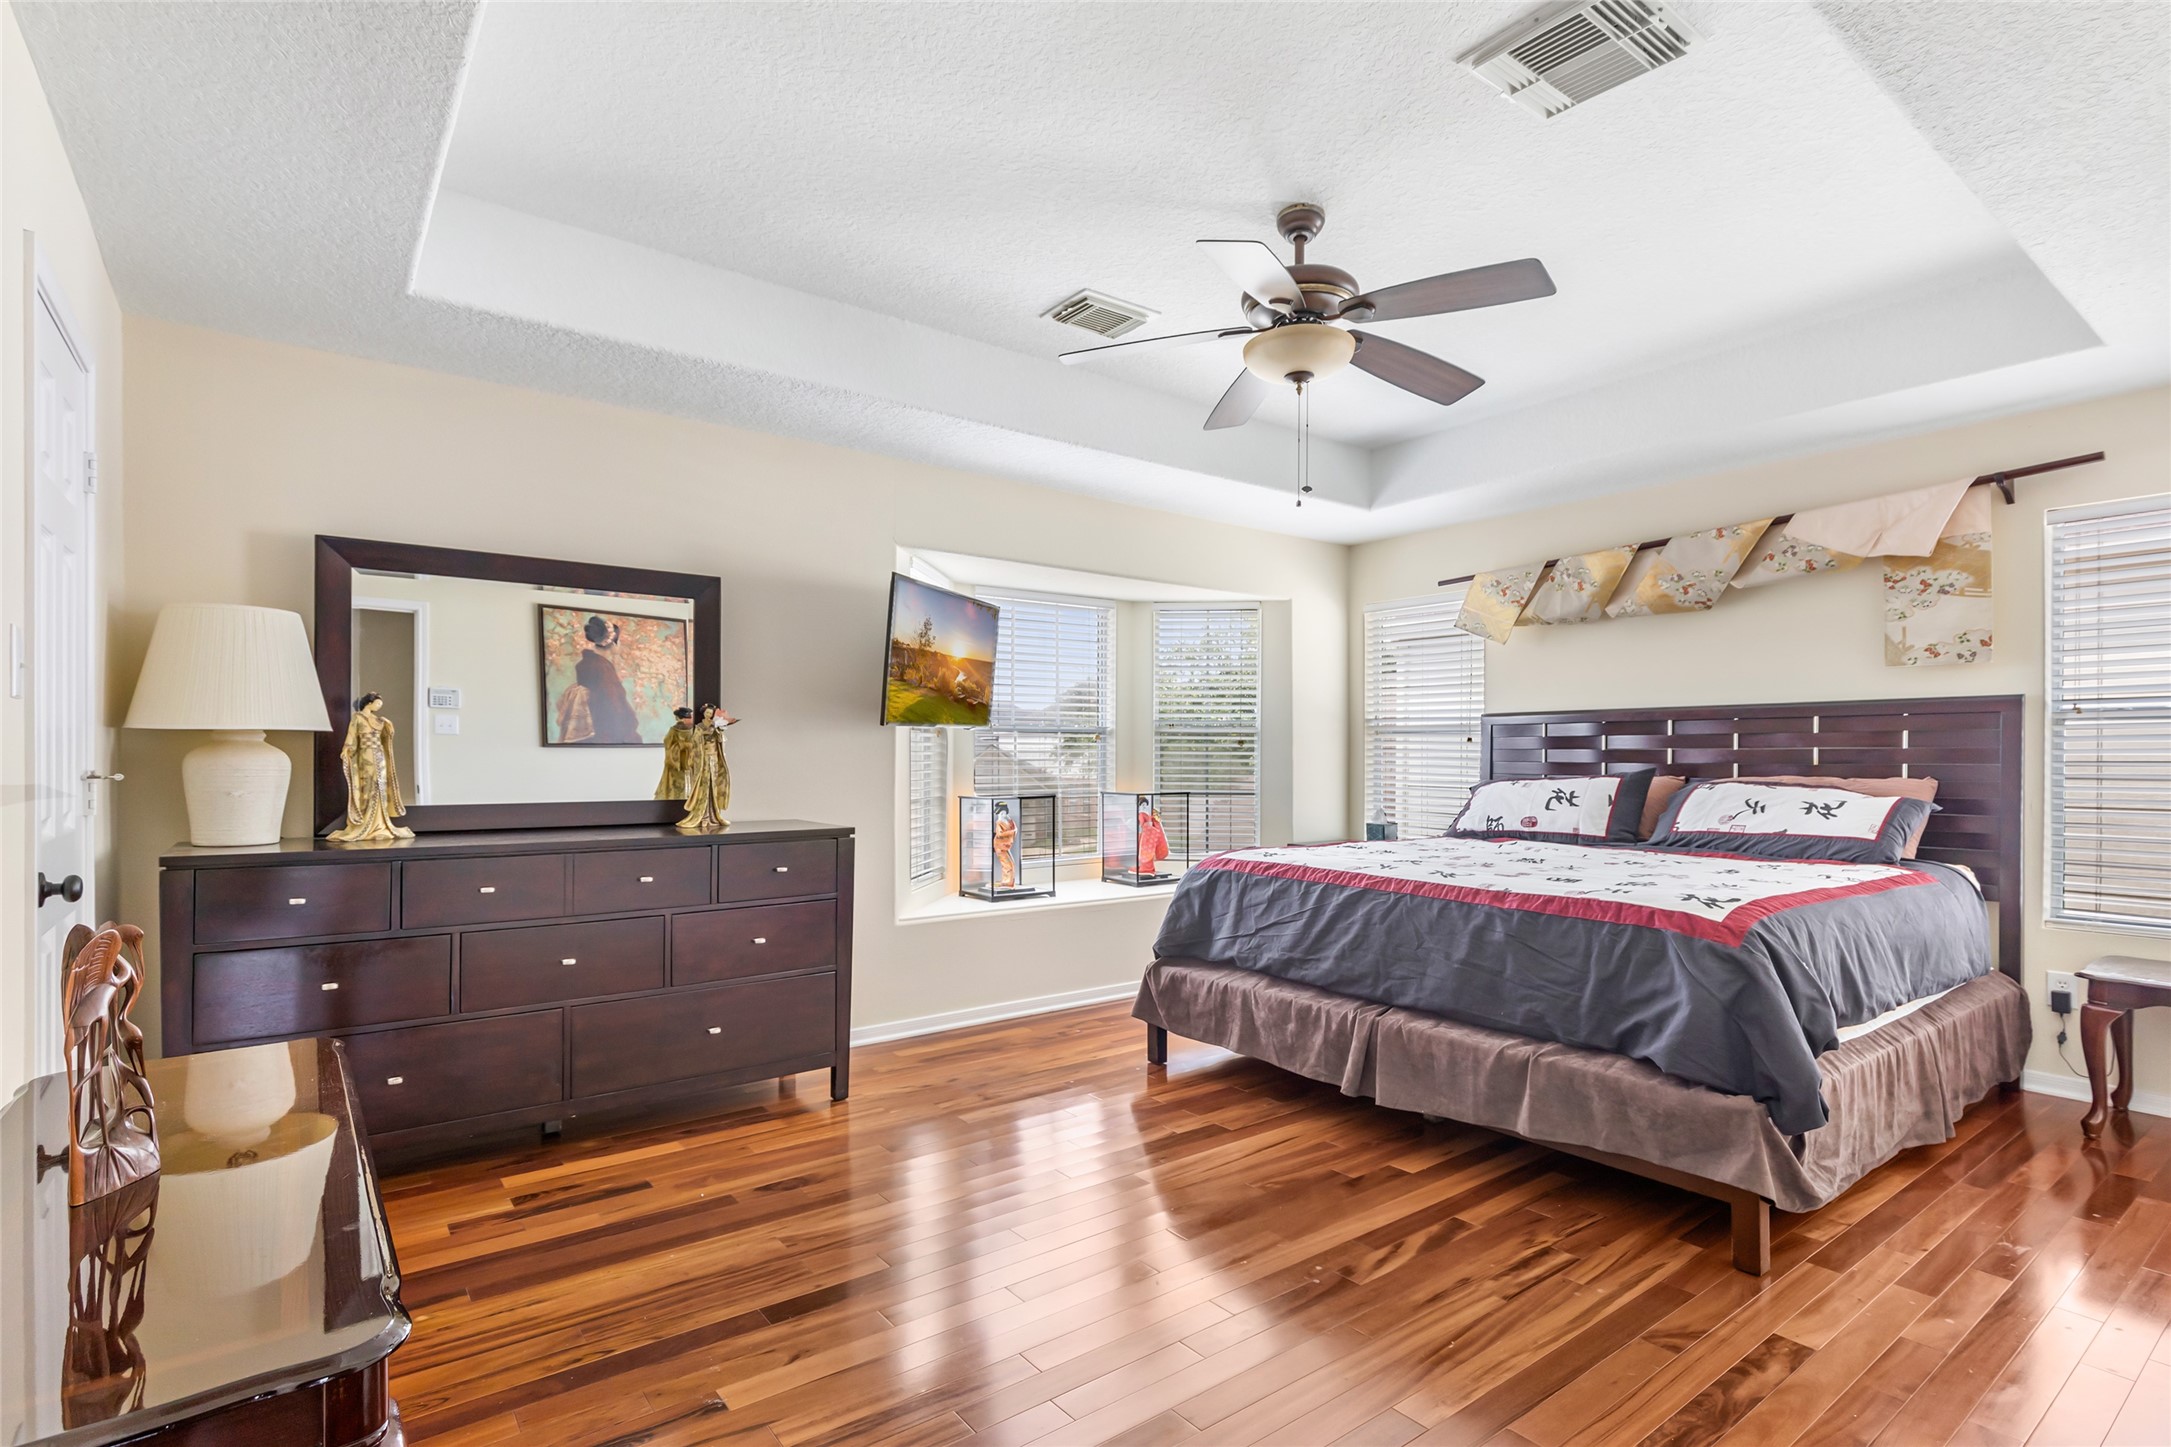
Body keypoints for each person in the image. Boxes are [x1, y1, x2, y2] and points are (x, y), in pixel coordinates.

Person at [329, 693, 414, 841]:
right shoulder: (358, 718)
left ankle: (380, 822)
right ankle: (367, 821)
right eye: (377, 704)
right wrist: (346, 749)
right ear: (369, 703)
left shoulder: (378, 720)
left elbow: (387, 736)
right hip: (365, 754)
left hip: (379, 754)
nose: (379, 707)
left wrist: (388, 726)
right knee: (369, 786)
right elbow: (351, 734)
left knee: (381, 785)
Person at [559, 614, 641, 744]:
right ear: (613, 644)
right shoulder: (602, 668)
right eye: (619, 642)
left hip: (595, 725)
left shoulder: (586, 663)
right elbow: (613, 703)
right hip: (602, 729)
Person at [676, 703, 738, 831]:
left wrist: (719, 732)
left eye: (711, 713)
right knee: (703, 785)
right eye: (707, 713)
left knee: (713, 785)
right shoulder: (698, 727)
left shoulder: (716, 726)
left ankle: (714, 815)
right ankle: (702, 816)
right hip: (703, 759)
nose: (709, 715)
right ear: (704, 713)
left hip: (714, 759)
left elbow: (721, 742)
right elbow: (695, 742)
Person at [654, 707, 697, 800]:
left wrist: (684, 746)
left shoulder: (678, 730)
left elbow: (667, 742)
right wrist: (683, 746)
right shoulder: (678, 730)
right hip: (683, 761)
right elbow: (668, 744)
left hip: (683, 761)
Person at [1136, 795, 1170, 876]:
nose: (1144, 806)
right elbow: (1141, 824)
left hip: (1148, 833)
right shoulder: (1142, 814)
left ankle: (1148, 868)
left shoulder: (1146, 814)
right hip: (1145, 833)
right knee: (1145, 851)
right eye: (1142, 805)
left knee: (1147, 851)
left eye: (1145, 805)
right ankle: (1146, 867)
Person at [992, 800, 1017, 889]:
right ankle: (1006, 883)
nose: (1002, 815)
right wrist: (1012, 832)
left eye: (1004, 813)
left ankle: (1008, 882)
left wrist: (1009, 819)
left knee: (1011, 863)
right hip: (1000, 846)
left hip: (1005, 845)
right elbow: (1000, 834)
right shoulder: (999, 823)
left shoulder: (1006, 821)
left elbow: (1014, 828)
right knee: (1007, 864)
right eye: (1001, 813)